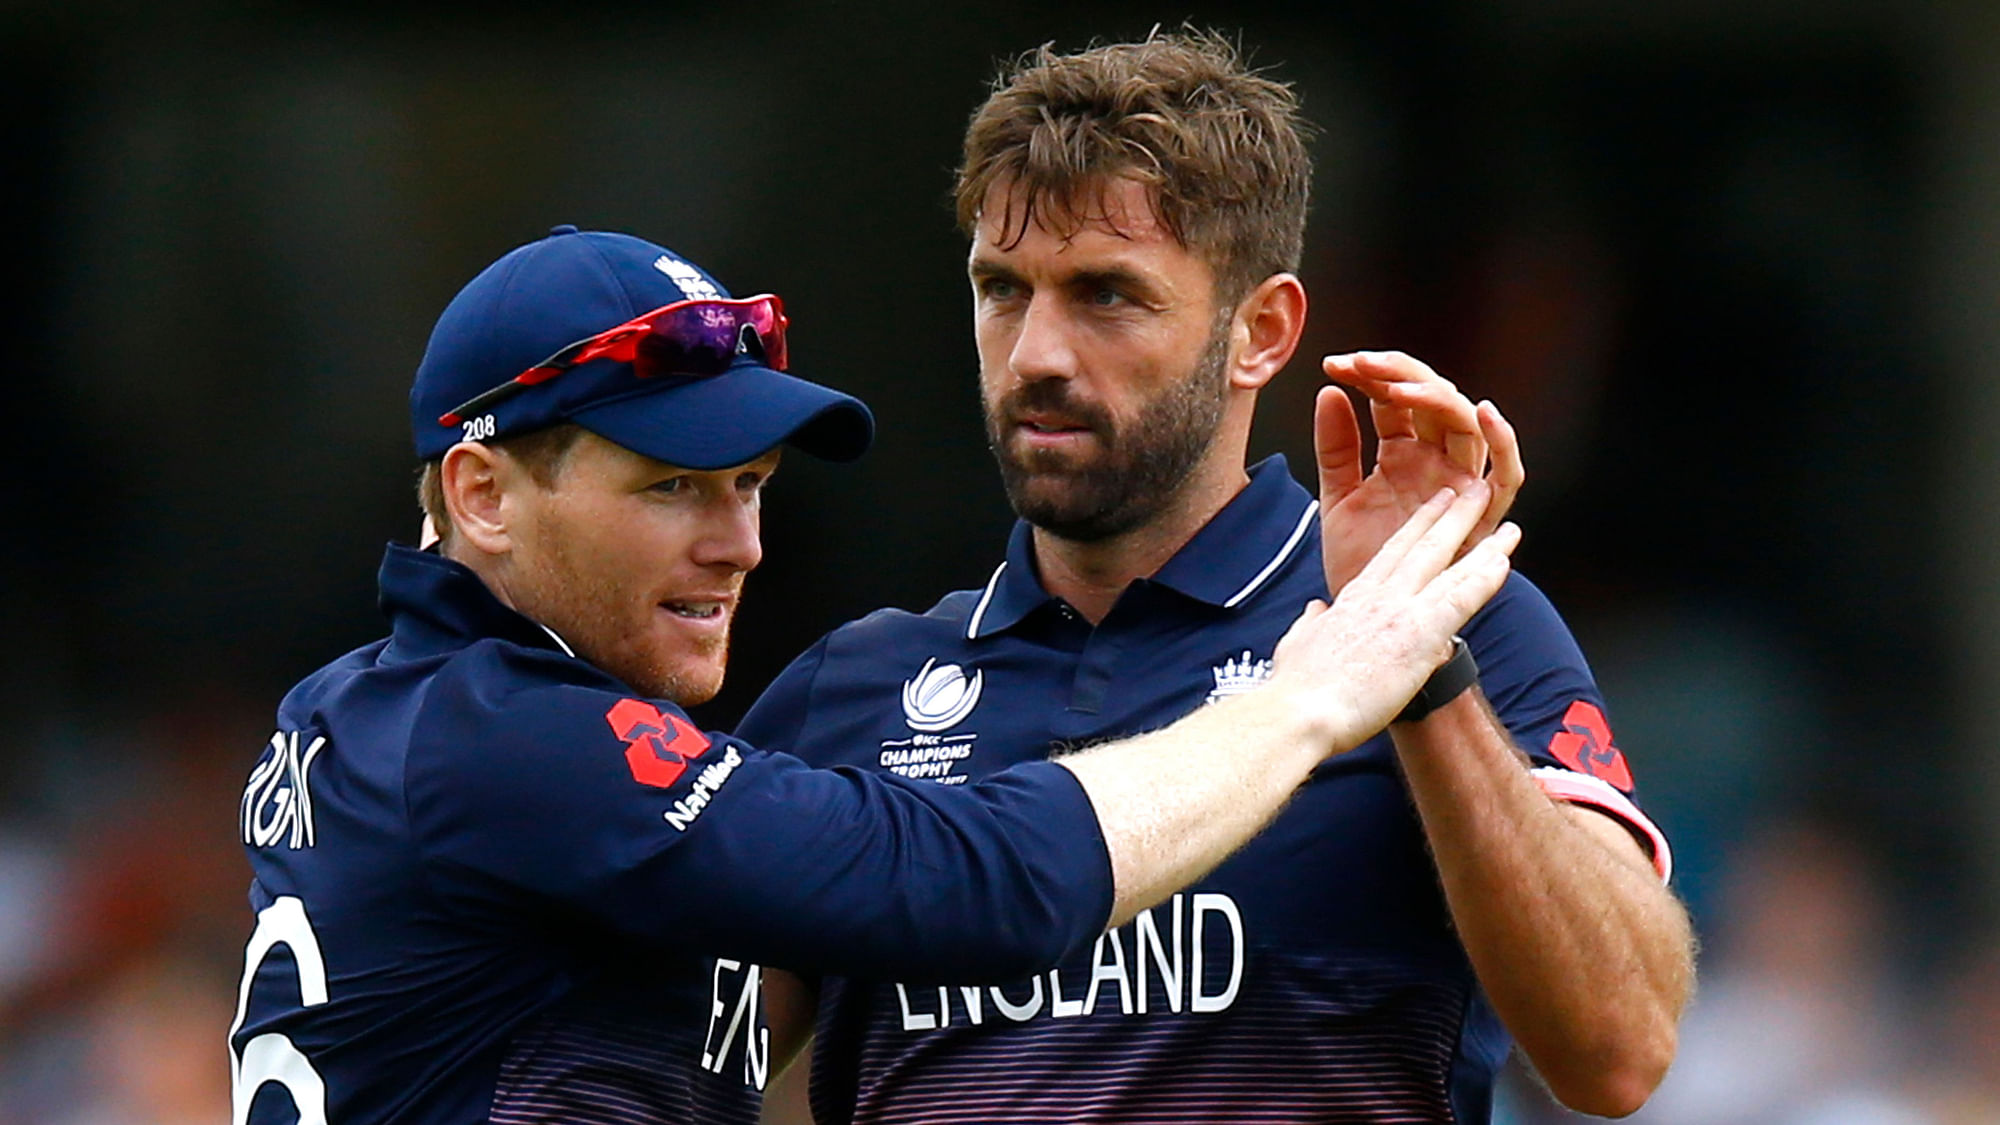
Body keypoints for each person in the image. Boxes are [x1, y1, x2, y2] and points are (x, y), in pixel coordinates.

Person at [227, 224, 1518, 1125]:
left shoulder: (380, 716)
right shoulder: (505, 740)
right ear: (482, 493)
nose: (740, 544)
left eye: (749, 486)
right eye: (670, 486)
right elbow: (979, 881)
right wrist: (1308, 698)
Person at [737, 31, 1694, 1124]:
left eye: (1105, 295)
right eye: (1002, 289)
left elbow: (1617, 1052)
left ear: (1260, 330)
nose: (1036, 354)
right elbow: (643, 1072)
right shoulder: (851, 691)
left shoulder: (1440, 624)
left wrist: (1413, 671)